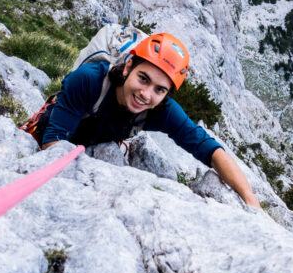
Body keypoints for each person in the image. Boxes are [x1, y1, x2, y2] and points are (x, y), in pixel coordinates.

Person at [25, 32, 261, 208]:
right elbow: (53, 141)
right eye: (143, 78)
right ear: (128, 66)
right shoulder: (88, 81)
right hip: (52, 141)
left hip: (94, 150)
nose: (146, 95)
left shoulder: (162, 110)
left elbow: (209, 150)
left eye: (160, 90)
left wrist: (250, 199)